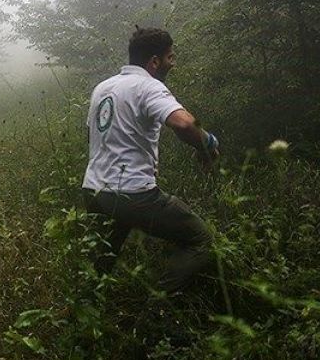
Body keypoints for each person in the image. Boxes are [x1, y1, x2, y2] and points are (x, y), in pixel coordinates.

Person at [82, 27, 219, 293]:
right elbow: (184, 123)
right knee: (200, 238)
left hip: (95, 191)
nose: (173, 63)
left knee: (99, 264)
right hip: (134, 195)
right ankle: (160, 309)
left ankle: (87, 318)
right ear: (154, 62)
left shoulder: (103, 88)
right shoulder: (148, 86)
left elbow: (92, 133)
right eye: (170, 57)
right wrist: (209, 145)